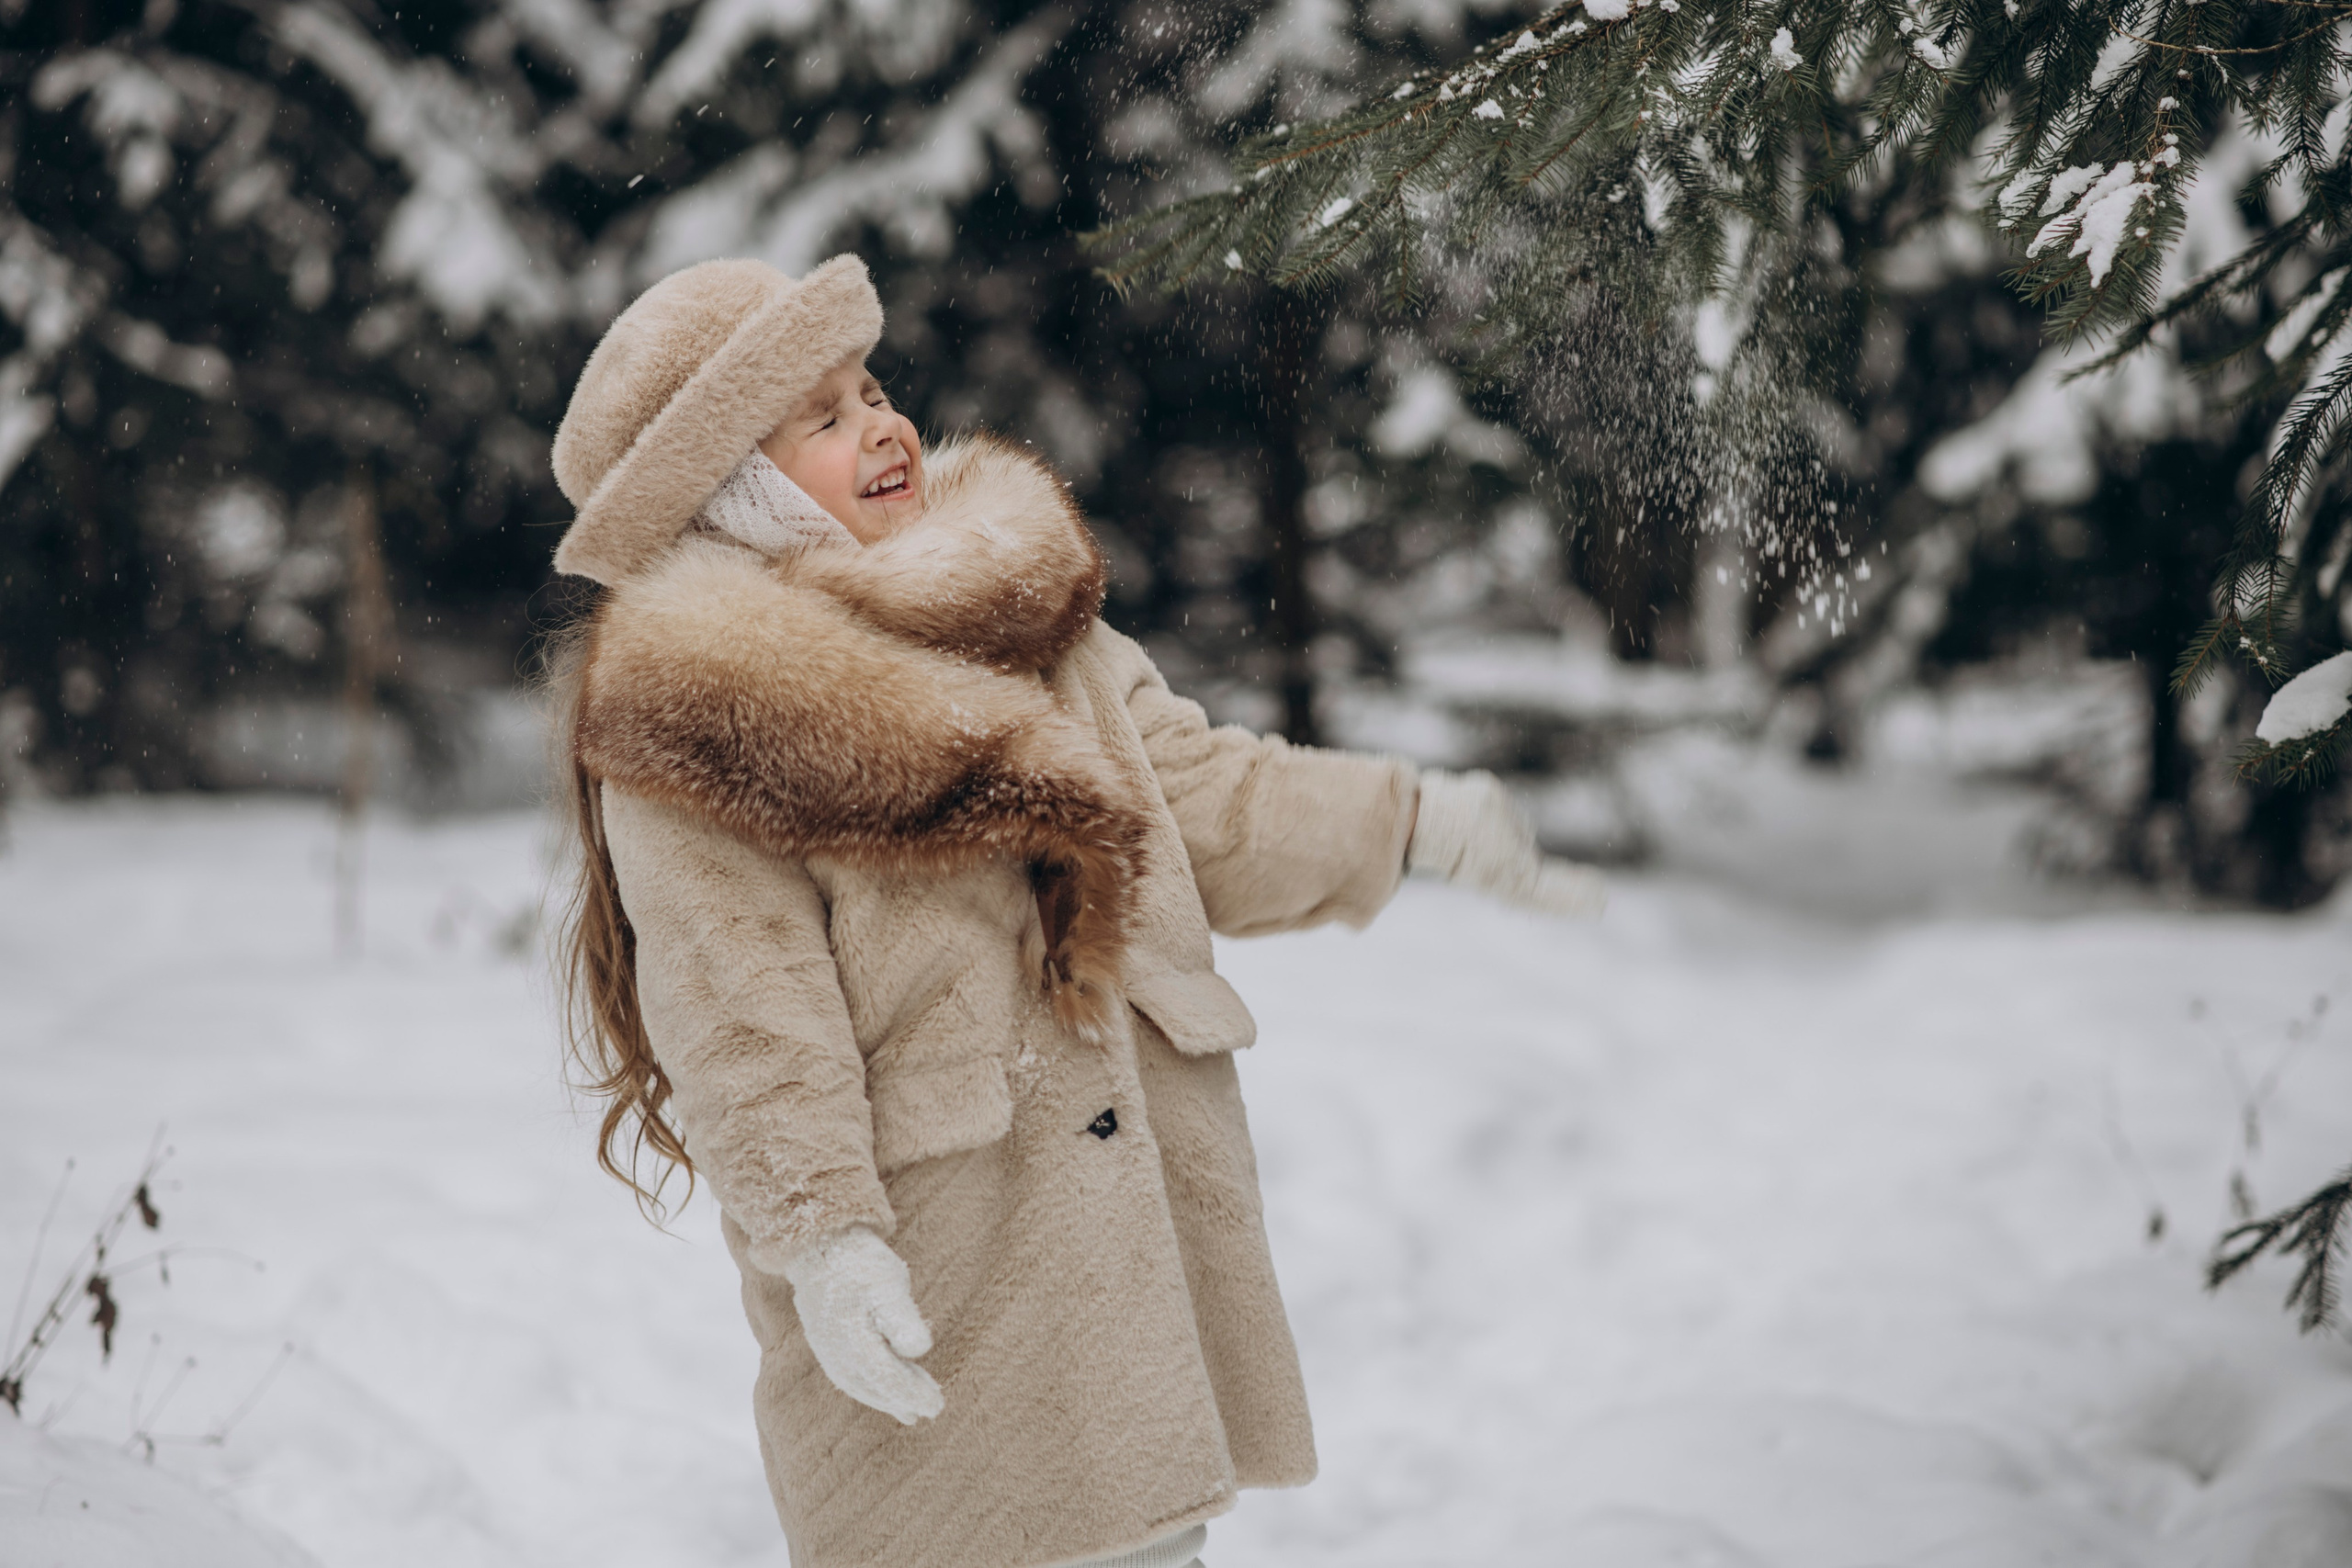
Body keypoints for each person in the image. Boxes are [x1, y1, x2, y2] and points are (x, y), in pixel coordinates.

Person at [545, 254, 1603, 1568]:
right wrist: (825, 1241)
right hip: (946, 1271)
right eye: (821, 418)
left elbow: (1202, 795)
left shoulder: (1030, 622)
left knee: (1149, 1543)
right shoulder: (703, 730)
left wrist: (1406, 818)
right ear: (732, 494)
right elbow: (741, 1012)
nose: (880, 423)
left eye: (873, 389)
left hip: (1125, 1259)